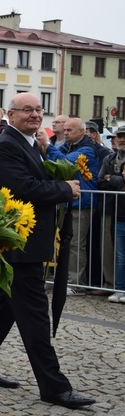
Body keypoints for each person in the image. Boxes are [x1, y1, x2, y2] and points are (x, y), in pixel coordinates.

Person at [0, 92, 95, 410]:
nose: (36, 114)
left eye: (39, 109)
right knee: (36, 317)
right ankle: (54, 387)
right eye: (28, 110)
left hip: (24, 245)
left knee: (0, 309)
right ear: (11, 114)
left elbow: (31, 183)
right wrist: (64, 189)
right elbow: (24, 188)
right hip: (19, 247)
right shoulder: (8, 144)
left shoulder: (27, 142)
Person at [46, 117, 99, 292]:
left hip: (81, 203)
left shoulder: (88, 149)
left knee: (76, 244)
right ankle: (63, 277)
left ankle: (77, 282)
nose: (65, 132)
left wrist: (47, 146)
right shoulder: (65, 146)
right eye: (65, 130)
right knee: (63, 243)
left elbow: (65, 163)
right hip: (66, 202)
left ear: (81, 132)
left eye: (69, 130)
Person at [99, 126, 125, 300]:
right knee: (120, 254)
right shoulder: (110, 158)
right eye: (119, 137)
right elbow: (100, 181)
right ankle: (120, 289)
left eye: (124, 137)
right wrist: (118, 179)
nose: (121, 140)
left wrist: (111, 178)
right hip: (117, 212)